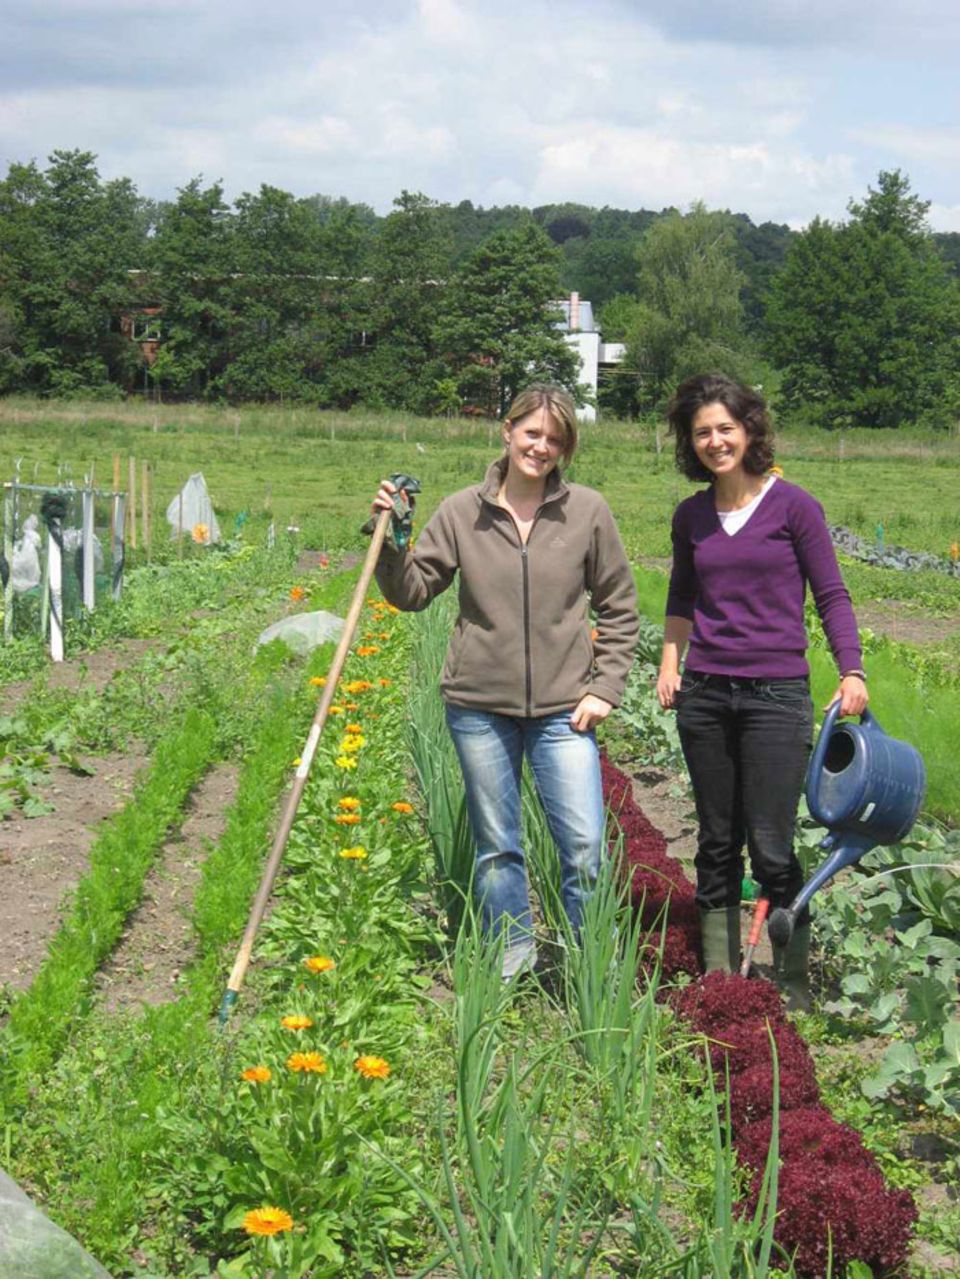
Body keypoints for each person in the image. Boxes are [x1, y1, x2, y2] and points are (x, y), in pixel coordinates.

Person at [371, 383, 639, 978]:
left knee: (585, 848)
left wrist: (605, 686)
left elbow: (619, 607)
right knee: (497, 849)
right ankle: (512, 963)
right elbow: (413, 592)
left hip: (564, 709)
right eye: (531, 433)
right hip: (478, 706)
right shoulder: (463, 511)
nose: (540, 447)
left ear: (564, 448)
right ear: (507, 431)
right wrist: (392, 543)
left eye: (554, 438)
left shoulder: (587, 512)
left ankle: (584, 966)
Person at [656, 373, 868, 1008]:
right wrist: (671, 661)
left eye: (725, 428)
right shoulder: (691, 515)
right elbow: (681, 595)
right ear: (690, 445)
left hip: (776, 695)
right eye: (702, 433)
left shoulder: (795, 506)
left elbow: (830, 593)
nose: (715, 441)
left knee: (772, 844)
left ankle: (793, 982)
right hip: (706, 695)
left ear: (749, 430)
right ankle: (720, 980)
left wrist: (851, 669)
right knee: (717, 841)